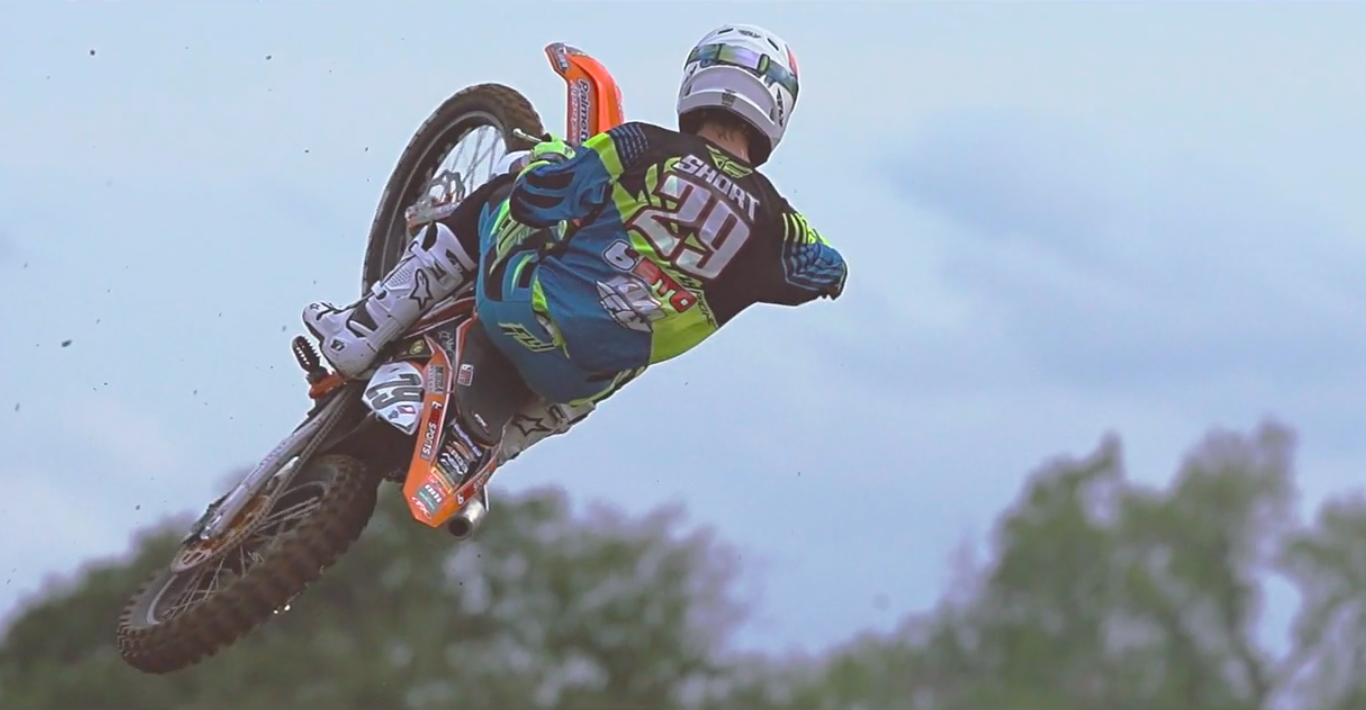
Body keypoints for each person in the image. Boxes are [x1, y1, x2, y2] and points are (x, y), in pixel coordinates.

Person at [302, 23, 848, 476]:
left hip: (518, 312)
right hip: (574, 382)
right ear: (778, 109)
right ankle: (502, 447)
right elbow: (828, 271)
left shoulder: (641, 143)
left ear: (698, 79)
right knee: (638, 340)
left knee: (502, 194)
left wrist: (542, 158)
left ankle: (363, 329)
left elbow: (540, 200)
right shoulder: (778, 226)